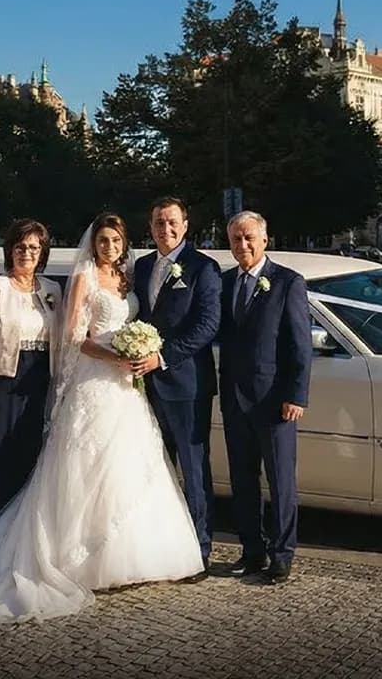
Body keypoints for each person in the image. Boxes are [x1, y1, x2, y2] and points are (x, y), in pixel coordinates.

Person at [0, 213, 204, 624]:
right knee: (74, 469)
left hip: (123, 390)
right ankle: (69, 558)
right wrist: (117, 356)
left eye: (115, 241)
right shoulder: (66, 282)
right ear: (93, 245)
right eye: (102, 240)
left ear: (125, 245)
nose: (109, 247)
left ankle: (131, 556)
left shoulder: (126, 280)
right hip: (90, 381)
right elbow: (72, 337)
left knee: (128, 467)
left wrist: (135, 354)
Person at [217, 210, 312, 584]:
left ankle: (282, 555)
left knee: (281, 481)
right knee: (242, 479)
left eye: (249, 238)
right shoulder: (225, 283)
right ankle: (251, 551)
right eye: (236, 239)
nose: (242, 245)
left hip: (274, 401)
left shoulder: (288, 282)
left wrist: (296, 396)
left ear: (264, 239)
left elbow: (300, 345)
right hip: (235, 398)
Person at [130, 196, 222, 571]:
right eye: (157, 223)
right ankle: (159, 542)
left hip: (186, 386)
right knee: (153, 466)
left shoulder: (204, 268)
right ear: (150, 227)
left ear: (185, 225)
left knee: (193, 467)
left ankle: (199, 548)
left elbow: (207, 325)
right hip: (141, 387)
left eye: (171, 222)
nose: (164, 229)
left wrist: (162, 356)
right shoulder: (141, 266)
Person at [0, 219, 62, 541]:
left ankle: (17, 541)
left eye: (34, 247)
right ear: (10, 250)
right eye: (20, 247)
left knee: (29, 461)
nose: (27, 253)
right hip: (2, 382)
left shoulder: (52, 290)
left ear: (42, 252)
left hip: (38, 382)